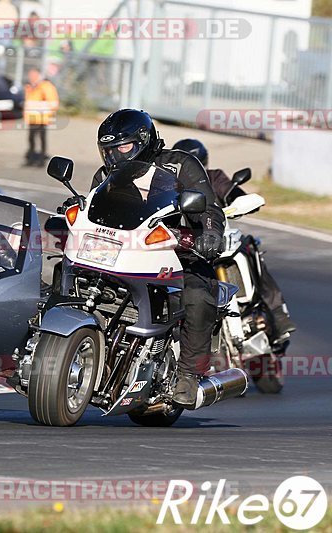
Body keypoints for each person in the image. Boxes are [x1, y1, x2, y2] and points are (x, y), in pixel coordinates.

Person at [87, 109, 225, 408]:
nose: (115, 157)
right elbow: (93, 212)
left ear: (144, 141)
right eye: (108, 150)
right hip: (122, 253)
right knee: (65, 269)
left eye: (122, 147)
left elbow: (209, 208)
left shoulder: (180, 164)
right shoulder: (105, 175)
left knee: (198, 294)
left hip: (177, 251)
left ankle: (188, 374)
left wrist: (210, 234)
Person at [172, 138, 296, 345]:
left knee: (249, 247)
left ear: (204, 163)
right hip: (188, 246)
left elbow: (234, 193)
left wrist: (241, 201)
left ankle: (278, 313)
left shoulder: (214, 178)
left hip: (222, 238)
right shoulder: (169, 186)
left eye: (196, 162)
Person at [24, 67, 60, 167]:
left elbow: (53, 102)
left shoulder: (46, 86)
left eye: (33, 75)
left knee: (42, 139)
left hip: (42, 118)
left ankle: (41, 160)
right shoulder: (30, 86)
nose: (31, 77)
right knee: (31, 139)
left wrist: (45, 112)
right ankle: (30, 159)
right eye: (30, 75)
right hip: (32, 118)